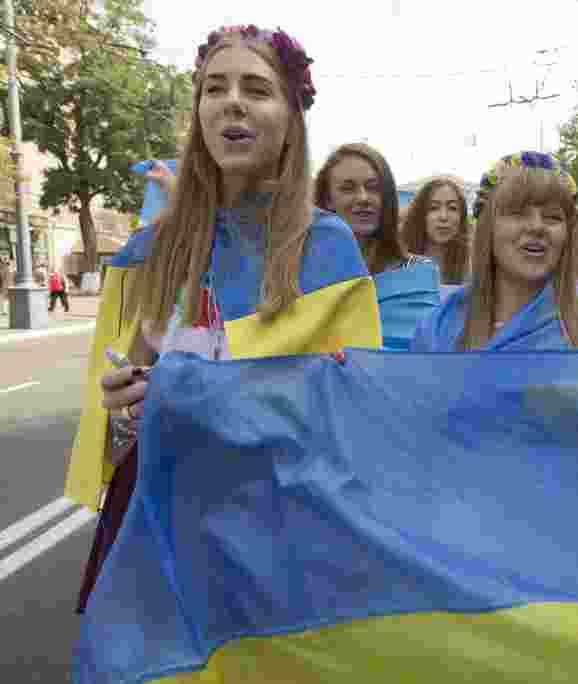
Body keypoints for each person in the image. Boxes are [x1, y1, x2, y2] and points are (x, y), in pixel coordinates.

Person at [68, 24, 383, 615]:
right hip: (162, 514)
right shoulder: (148, 249)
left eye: (256, 89)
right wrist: (126, 407)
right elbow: (117, 412)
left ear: (292, 117)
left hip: (280, 526)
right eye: (214, 88)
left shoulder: (327, 247)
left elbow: (356, 417)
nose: (231, 101)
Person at [411, 153, 578, 352]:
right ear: (487, 228)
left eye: (552, 217)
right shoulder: (438, 328)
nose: (536, 227)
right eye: (518, 214)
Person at [314, 143, 440, 350]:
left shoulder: (418, 272)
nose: (363, 198)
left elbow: (423, 358)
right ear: (328, 200)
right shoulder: (305, 273)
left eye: (373, 188)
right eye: (348, 188)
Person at [401, 176, 471, 286]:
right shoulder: (398, 257)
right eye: (433, 208)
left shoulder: (473, 262)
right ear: (420, 214)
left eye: (452, 208)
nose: (443, 216)